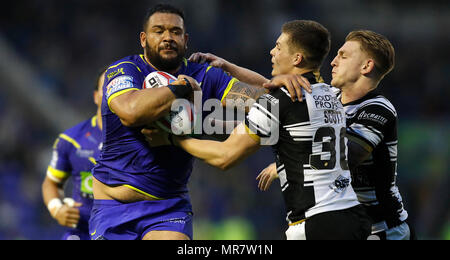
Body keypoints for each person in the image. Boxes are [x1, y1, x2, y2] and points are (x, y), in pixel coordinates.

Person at [89, 3, 307, 240]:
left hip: (168, 208)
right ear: (143, 39)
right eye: (158, 31)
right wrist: (179, 88)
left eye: (175, 32)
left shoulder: (204, 75)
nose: (167, 37)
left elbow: (266, 104)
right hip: (113, 205)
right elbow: (131, 112)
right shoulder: (123, 71)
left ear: (186, 39)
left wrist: (281, 84)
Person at [147, 20, 372, 240]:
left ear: (297, 58)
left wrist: (172, 139)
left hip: (316, 224)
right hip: (353, 214)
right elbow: (271, 93)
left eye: (279, 47)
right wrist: (227, 67)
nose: (272, 51)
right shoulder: (331, 96)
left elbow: (225, 156)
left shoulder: (281, 101)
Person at [329, 30, 412, 240]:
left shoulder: (378, 108)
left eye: (343, 56)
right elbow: (274, 98)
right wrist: (231, 74)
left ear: (366, 66)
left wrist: (293, 152)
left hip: (383, 230)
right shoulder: (328, 99)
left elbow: (348, 156)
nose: (333, 62)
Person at [42, 69, 105, 240]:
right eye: (104, 87)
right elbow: (51, 183)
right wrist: (57, 208)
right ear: (95, 96)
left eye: (115, 87)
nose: (109, 92)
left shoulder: (143, 137)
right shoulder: (71, 139)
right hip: (82, 231)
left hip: (127, 230)